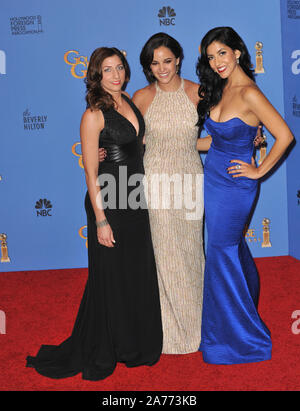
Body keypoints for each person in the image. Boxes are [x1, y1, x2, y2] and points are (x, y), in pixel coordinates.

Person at [26, 47, 163, 380]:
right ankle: (108, 345)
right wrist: (101, 220)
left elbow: (135, 146)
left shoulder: (128, 100)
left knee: (135, 271)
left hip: (133, 196)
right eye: (107, 70)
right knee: (111, 275)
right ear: (96, 76)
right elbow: (90, 172)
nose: (115, 75)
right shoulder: (93, 114)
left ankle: (134, 343)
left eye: (119, 68)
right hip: (109, 202)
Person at [195, 26, 294, 364]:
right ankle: (240, 310)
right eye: (211, 56)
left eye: (222, 53)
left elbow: (284, 135)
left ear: (237, 52)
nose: (217, 61)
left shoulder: (250, 92)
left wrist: (258, 170)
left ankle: (241, 337)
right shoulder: (220, 89)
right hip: (214, 177)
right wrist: (179, 145)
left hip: (237, 185)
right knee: (231, 246)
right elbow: (216, 141)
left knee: (220, 250)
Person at [131, 33, 205, 354]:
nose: (162, 68)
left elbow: (212, 138)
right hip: (155, 184)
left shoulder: (198, 93)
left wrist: (245, 140)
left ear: (178, 59)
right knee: (163, 256)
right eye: (154, 62)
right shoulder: (142, 97)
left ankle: (197, 326)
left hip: (189, 180)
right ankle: (165, 332)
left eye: (167, 60)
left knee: (191, 252)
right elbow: (130, 143)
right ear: (148, 66)